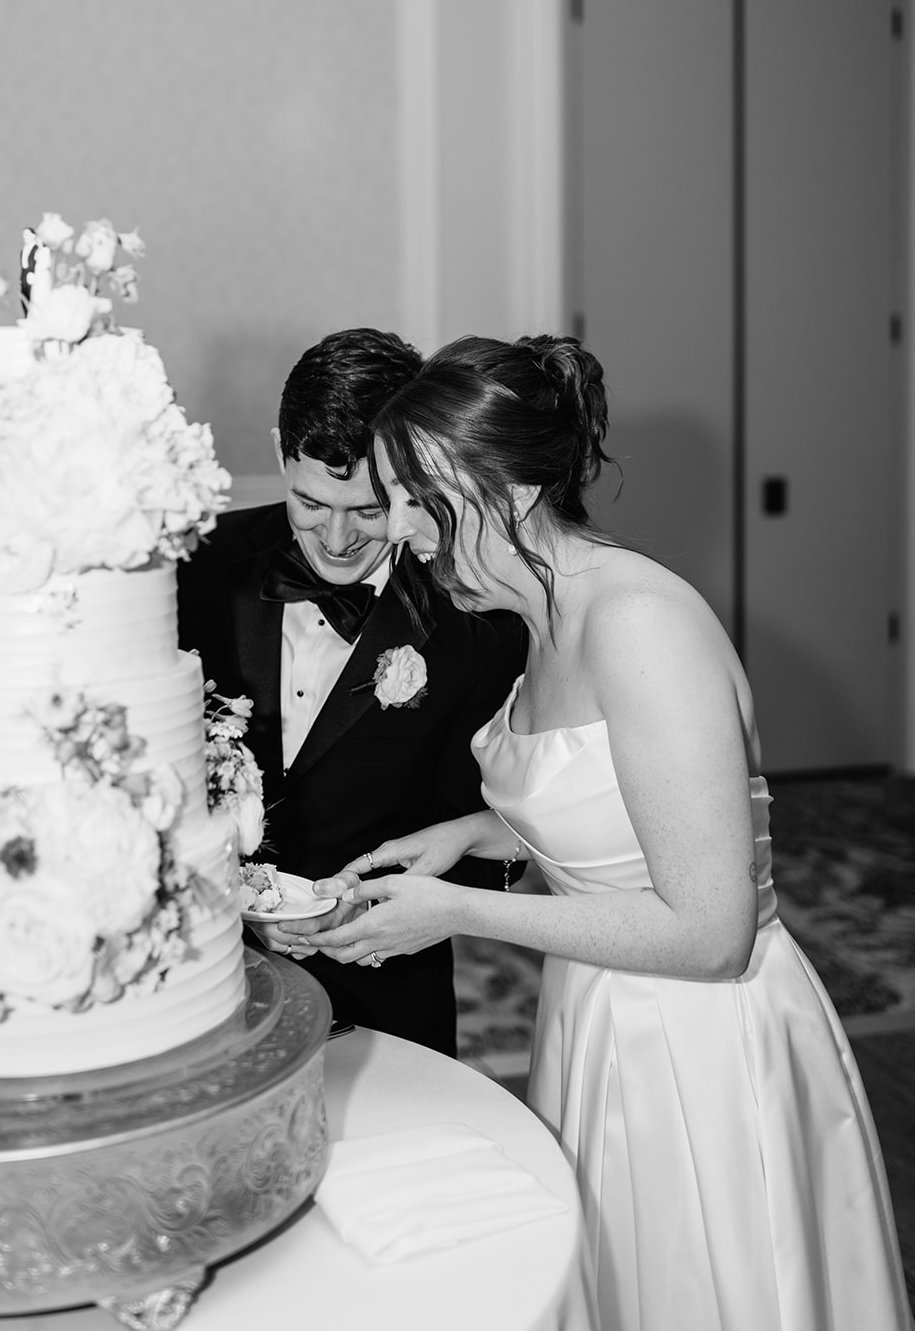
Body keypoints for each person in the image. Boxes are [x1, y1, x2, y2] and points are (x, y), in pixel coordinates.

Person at [297, 333, 914, 1331]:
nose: (399, 526)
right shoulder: (539, 614)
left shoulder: (641, 624)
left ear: (513, 488)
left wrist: (457, 912)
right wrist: (467, 832)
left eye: (419, 494)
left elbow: (709, 931)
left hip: (698, 1035)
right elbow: (606, 804)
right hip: (596, 1012)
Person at [176, 327, 525, 1055]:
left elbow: (489, 827)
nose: (334, 539)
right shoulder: (195, 569)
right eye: (310, 503)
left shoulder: (477, 617)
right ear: (279, 453)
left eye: (366, 511)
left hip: (384, 990)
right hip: (196, 974)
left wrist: (374, 914)